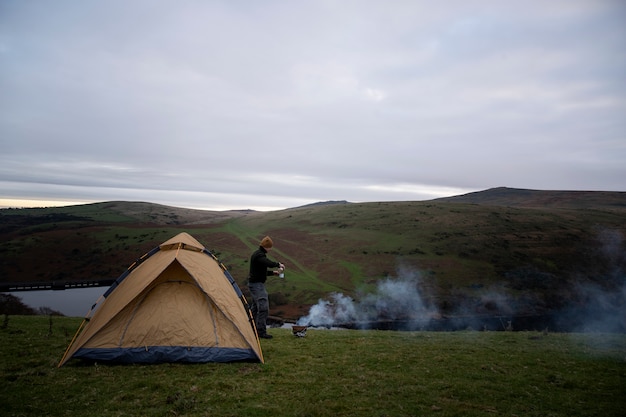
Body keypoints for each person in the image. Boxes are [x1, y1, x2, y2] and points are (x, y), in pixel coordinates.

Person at [247, 236, 285, 339]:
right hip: (257, 286)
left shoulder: (258, 255)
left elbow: (260, 272)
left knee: (255, 308)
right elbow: (267, 263)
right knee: (263, 308)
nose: (271, 249)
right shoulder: (259, 256)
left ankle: (252, 330)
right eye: (270, 247)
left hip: (254, 284)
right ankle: (261, 332)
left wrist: (273, 273)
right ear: (267, 247)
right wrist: (278, 264)